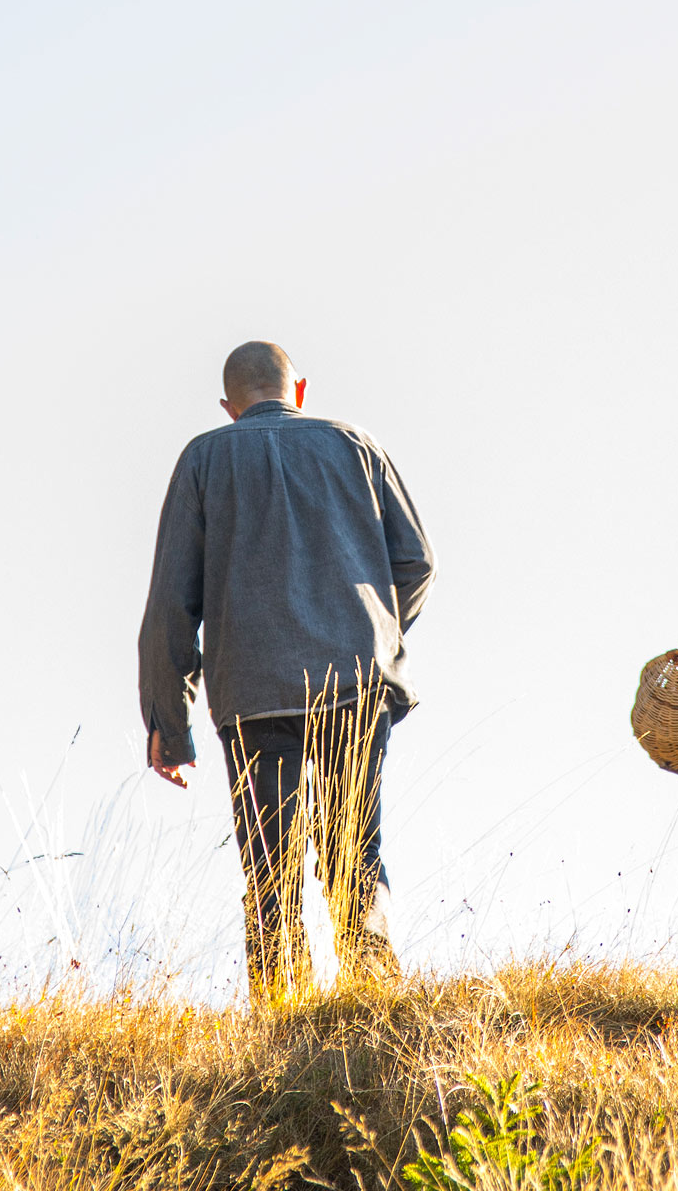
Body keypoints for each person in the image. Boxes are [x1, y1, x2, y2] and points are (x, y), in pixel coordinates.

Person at [138, 342, 434, 998]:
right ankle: (376, 1009)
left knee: (270, 868)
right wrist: (373, 632)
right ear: (298, 391)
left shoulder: (203, 459)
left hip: (251, 694)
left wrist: (170, 721)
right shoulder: (355, 444)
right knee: (355, 850)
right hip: (354, 686)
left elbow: (169, 605)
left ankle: (280, 1015)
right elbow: (416, 564)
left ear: (228, 406)